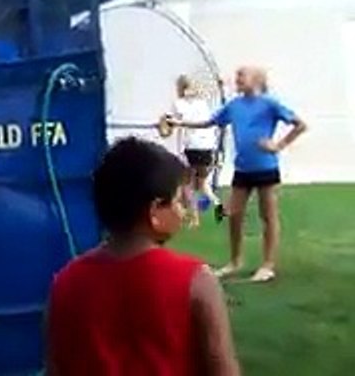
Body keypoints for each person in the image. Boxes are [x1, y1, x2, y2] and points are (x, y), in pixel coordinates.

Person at [46, 137, 240, 376]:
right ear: (155, 212)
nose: (183, 211)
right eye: (179, 201)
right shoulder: (196, 281)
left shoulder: (66, 283)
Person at [172, 66, 307, 283]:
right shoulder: (234, 105)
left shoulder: (270, 104)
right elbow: (209, 122)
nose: (237, 80)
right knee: (233, 215)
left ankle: (268, 265)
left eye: (242, 76)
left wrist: (279, 145)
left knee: (268, 216)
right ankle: (235, 261)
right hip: (242, 169)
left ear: (256, 80)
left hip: (266, 169)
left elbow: (300, 125)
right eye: (237, 76)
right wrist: (179, 123)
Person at [171, 74, 222, 227]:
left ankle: (194, 218)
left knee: (187, 183)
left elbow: (176, 124)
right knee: (201, 183)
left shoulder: (179, 104)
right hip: (207, 146)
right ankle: (218, 205)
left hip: (192, 146)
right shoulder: (202, 103)